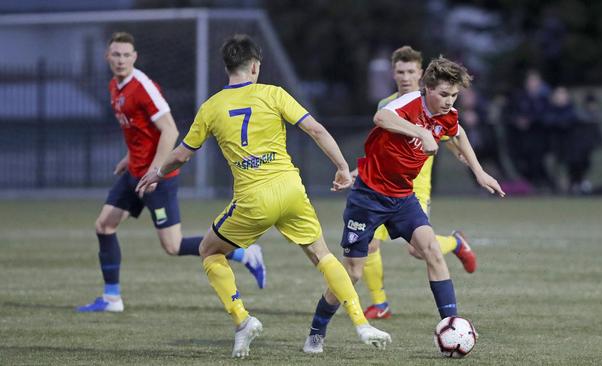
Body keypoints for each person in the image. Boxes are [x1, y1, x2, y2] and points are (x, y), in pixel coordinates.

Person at [136, 34, 391, 359]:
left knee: (209, 251)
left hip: (254, 199)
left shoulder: (212, 107)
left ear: (228, 66)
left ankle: (243, 320)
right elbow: (316, 129)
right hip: (291, 190)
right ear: (255, 66)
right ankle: (361, 322)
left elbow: (182, 155)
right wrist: (342, 167)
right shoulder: (274, 94)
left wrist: (156, 172)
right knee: (322, 255)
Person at [303, 56, 505, 353]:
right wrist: (421, 132)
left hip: (403, 197)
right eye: (443, 94)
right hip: (368, 198)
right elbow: (382, 118)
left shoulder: (447, 114)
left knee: (432, 251)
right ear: (427, 89)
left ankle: (452, 326)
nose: (449, 101)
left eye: (454, 95)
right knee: (353, 273)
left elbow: (458, 132)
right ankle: (316, 332)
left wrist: (479, 171)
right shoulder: (409, 103)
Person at [77, 32, 266, 313]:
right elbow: (141, 131)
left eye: (126, 55)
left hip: (156, 177)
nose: (120, 60)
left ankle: (243, 252)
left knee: (173, 246)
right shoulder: (115, 87)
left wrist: (156, 171)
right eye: (116, 54)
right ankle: (112, 298)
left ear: (134, 57)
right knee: (104, 225)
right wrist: (128, 158)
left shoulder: (143, 87)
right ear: (107, 56)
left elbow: (170, 130)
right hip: (135, 174)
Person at [352, 46, 477, 321]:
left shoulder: (434, 104)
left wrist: (465, 158)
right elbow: (380, 142)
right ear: (393, 74)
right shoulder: (387, 104)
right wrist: (356, 171)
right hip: (381, 185)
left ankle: (455, 244)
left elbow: (450, 135)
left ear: (421, 74)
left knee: (417, 249)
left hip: (414, 189)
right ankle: (380, 302)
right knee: (370, 244)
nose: (405, 77)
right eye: (400, 71)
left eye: (411, 71)